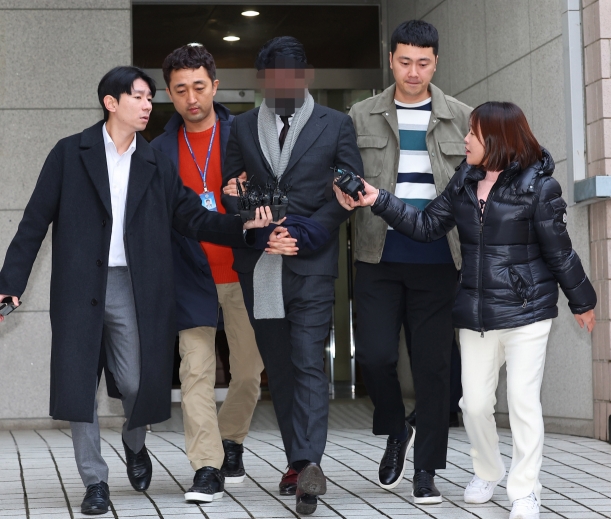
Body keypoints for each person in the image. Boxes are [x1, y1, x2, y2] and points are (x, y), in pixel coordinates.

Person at [0, 66, 273, 516]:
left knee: (133, 381)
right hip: (79, 284)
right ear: (111, 103)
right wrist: (11, 283)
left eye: (149, 98)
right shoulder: (71, 154)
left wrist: (242, 224)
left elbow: (194, 218)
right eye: (139, 98)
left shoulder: (154, 163)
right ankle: (95, 481)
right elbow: (34, 221)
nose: (148, 106)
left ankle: (134, 440)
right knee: (80, 386)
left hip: (132, 283)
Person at [334, 101, 597, 519]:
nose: (465, 140)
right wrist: (378, 199)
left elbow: (560, 252)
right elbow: (426, 226)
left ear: (496, 139)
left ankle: (526, 488)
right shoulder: (464, 180)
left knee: (523, 401)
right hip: (475, 311)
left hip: (527, 311)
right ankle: (487, 471)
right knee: (473, 404)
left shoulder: (539, 188)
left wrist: (583, 300)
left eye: (473, 134)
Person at [221, 36, 363, 515]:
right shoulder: (240, 126)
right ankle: (297, 457)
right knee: (278, 369)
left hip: (311, 263)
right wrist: (262, 233)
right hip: (260, 266)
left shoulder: (336, 124)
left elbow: (345, 197)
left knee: (307, 362)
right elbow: (231, 193)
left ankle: (309, 470)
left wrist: (301, 234)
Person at [347, 19, 471, 504]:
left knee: (434, 368)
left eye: (423, 63)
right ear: (390, 59)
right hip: (378, 255)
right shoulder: (360, 116)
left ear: (436, 62)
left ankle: (426, 471)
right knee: (375, 357)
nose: (413, 72)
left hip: (441, 259)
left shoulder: (462, 118)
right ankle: (398, 428)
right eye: (404, 62)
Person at [150, 43, 264, 504]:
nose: (191, 98)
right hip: (190, 273)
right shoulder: (157, 150)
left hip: (243, 271)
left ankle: (232, 438)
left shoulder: (248, 134)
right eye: (180, 90)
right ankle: (207, 467)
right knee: (195, 371)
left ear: (215, 86)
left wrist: (250, 194)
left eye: (199, 87)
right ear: (169, 95)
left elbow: (277, 193)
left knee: (249, 372)